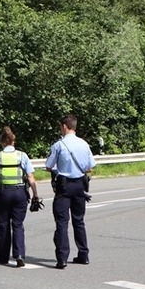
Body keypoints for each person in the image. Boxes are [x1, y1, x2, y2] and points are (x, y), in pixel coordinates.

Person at [44, 115, 96, 269]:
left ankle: (62, 258)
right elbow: (89, 167)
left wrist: (60, 168)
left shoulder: (59, 145)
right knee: (79, 220)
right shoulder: (84, 144)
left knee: (62, 222)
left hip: (64, 186)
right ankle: (83, 254)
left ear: (64, 126)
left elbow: (48, 166)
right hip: (80, 185)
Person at [0, 126, 40, 267]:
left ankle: (3, 257)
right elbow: (30, 177)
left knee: (3, 224)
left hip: (4, 193)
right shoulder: (22, 156)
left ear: (2, 142)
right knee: (18, 225)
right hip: (20, 193)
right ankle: (19, 255)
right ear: (13, 141)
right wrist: (35, 194)